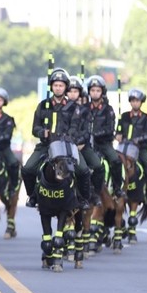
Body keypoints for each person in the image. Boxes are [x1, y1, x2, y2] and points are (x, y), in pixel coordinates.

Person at [22, 68, 91, 208]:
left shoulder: (74, 107)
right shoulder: (43, 105)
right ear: (51, 86)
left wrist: (65, 136)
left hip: (66, 146)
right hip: (46, 145)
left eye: (61, 85)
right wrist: (43, 133)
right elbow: (35, 128)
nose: (58, 88)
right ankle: (33, 196)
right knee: (27, 169)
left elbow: (74, 128)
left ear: (65, 87)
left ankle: (83, 199)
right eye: (55, 85)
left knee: (83, 170)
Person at [85, 75, 124, 198]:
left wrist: (95, 133)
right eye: (92, 90)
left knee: (116, 161)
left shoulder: (108, 109)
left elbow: (110, 128)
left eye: (98, 90)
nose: (95, 93)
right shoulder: (84, 109)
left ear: (102, 92)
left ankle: (117, 188)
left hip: (104, 144)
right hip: (88, 144)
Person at [116, 89, 147, 203]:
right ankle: (114, 189)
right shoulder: (123, 116)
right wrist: (118, 135)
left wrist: (136, 140)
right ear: (130, 102)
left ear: (141, 102)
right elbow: (118, 131)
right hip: (123, 148)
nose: (135, 103)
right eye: (133, 101)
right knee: (113, 164)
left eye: (137, 101)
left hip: (140, 149)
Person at [66, 76, 96, 209]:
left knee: (94, 167)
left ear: (79, 93)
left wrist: (77, 142)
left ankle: (89, 196)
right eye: (70, 91)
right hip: (63, 146)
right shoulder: (59, 108)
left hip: (81, 146)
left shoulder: (85, 111)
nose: (72, 94)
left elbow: (86, 132)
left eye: (75, 91)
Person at [0, 87, 21, 200]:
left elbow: (8, 135)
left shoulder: (8, 119)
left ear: (4, 102)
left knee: (13, 163)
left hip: (3, 148)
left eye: (0, 100)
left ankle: (13, 187)